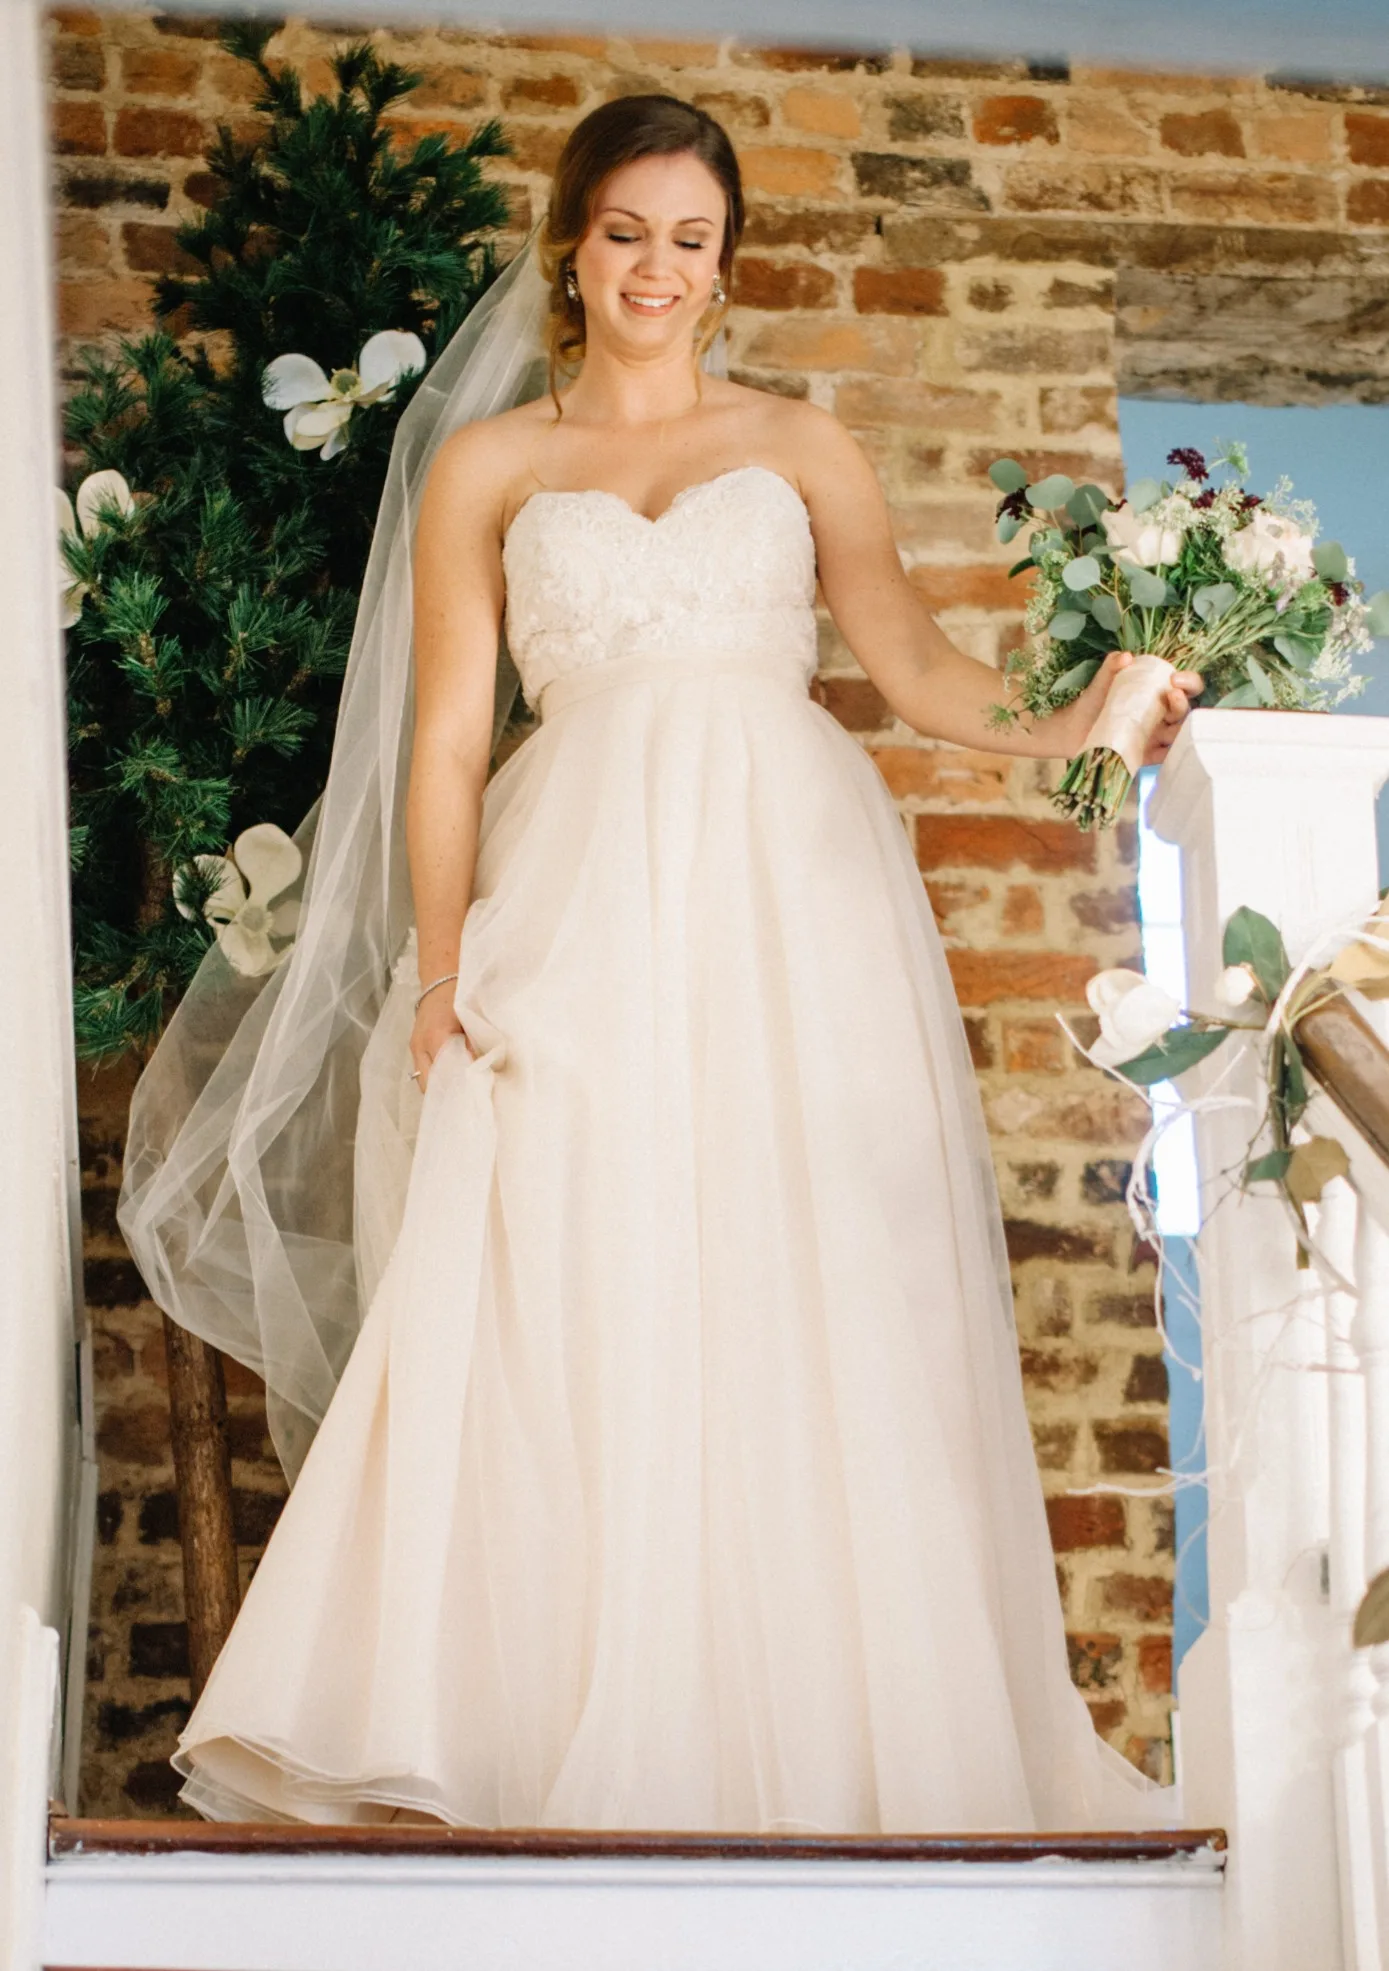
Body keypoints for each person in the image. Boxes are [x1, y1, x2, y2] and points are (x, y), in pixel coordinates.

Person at [124, 92, 1199, 1832]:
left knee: (801, 1270)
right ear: (575, 243)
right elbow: (454, 742)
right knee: (569, 1264)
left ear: (724, 265)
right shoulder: (491, 465)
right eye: (627, 230)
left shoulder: (802, 442)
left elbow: (919, 670)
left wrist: (1084, 709)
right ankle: (531, 1735)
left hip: (790, 890)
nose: (657, 267)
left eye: (691, 239)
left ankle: (820, 1747)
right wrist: (445, 963)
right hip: (574, 889)